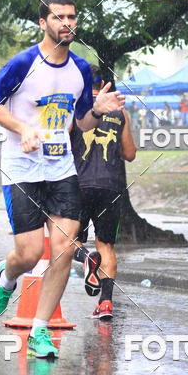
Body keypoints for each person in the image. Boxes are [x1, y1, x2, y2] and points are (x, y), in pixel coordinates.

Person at [0, 0, 125, 360]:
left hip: (61, 169)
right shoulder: (22, 64)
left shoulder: (80, 69)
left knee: (63, 250)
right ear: (42, 23)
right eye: (59, 17)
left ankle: (40, 330)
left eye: (72, 18)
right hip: (22, 169)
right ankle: (7, 276)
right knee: (29, 254)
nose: (67, 24)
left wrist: (97, 110)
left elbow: (80, 122)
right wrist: (22, 129)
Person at [71, 65, 137, 320]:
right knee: (107, 245)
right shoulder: (121, 112)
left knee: (66, 241)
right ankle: (106, 303)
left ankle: (86, 257)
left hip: (79, 184)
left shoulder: (77, 108)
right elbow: (130, 154)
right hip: (112, 187)